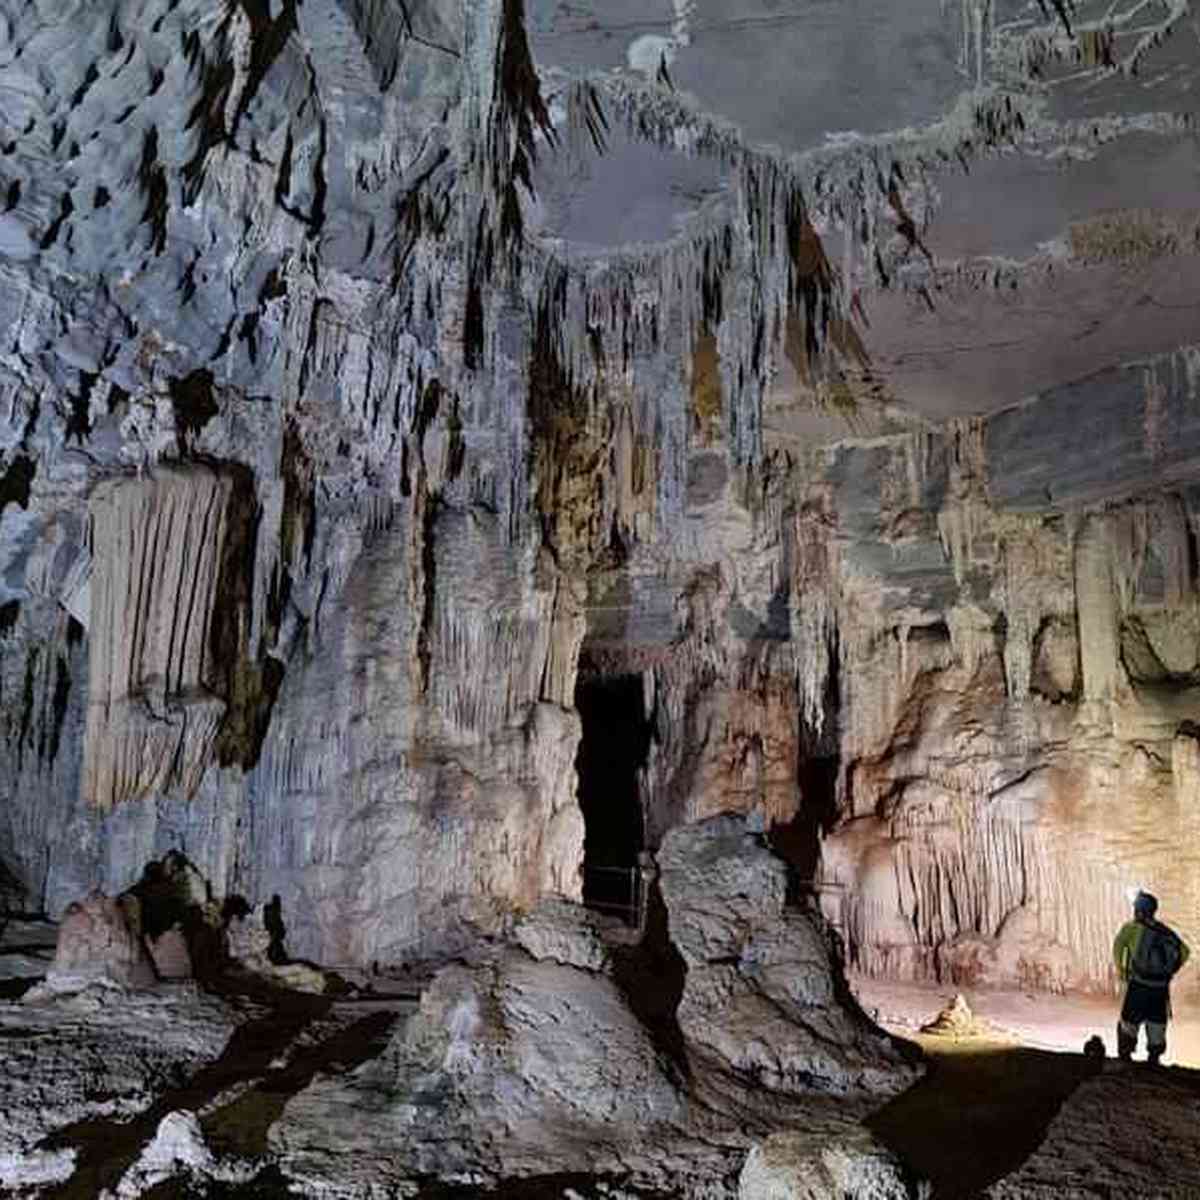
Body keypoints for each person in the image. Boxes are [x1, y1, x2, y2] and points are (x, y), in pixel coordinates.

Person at [1112, 890, 1190, 1065]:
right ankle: (1154, 1057)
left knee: (1130, 1019)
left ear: (1138, 910)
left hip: (1138, 985)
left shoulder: (1131, 928)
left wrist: (1123, 972)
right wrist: (1169, 972)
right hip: (1160, 988)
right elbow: (1184, 952)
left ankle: (1125, 1054)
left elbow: (1118, 949)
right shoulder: (1166, 932)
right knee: (1156, 1021)